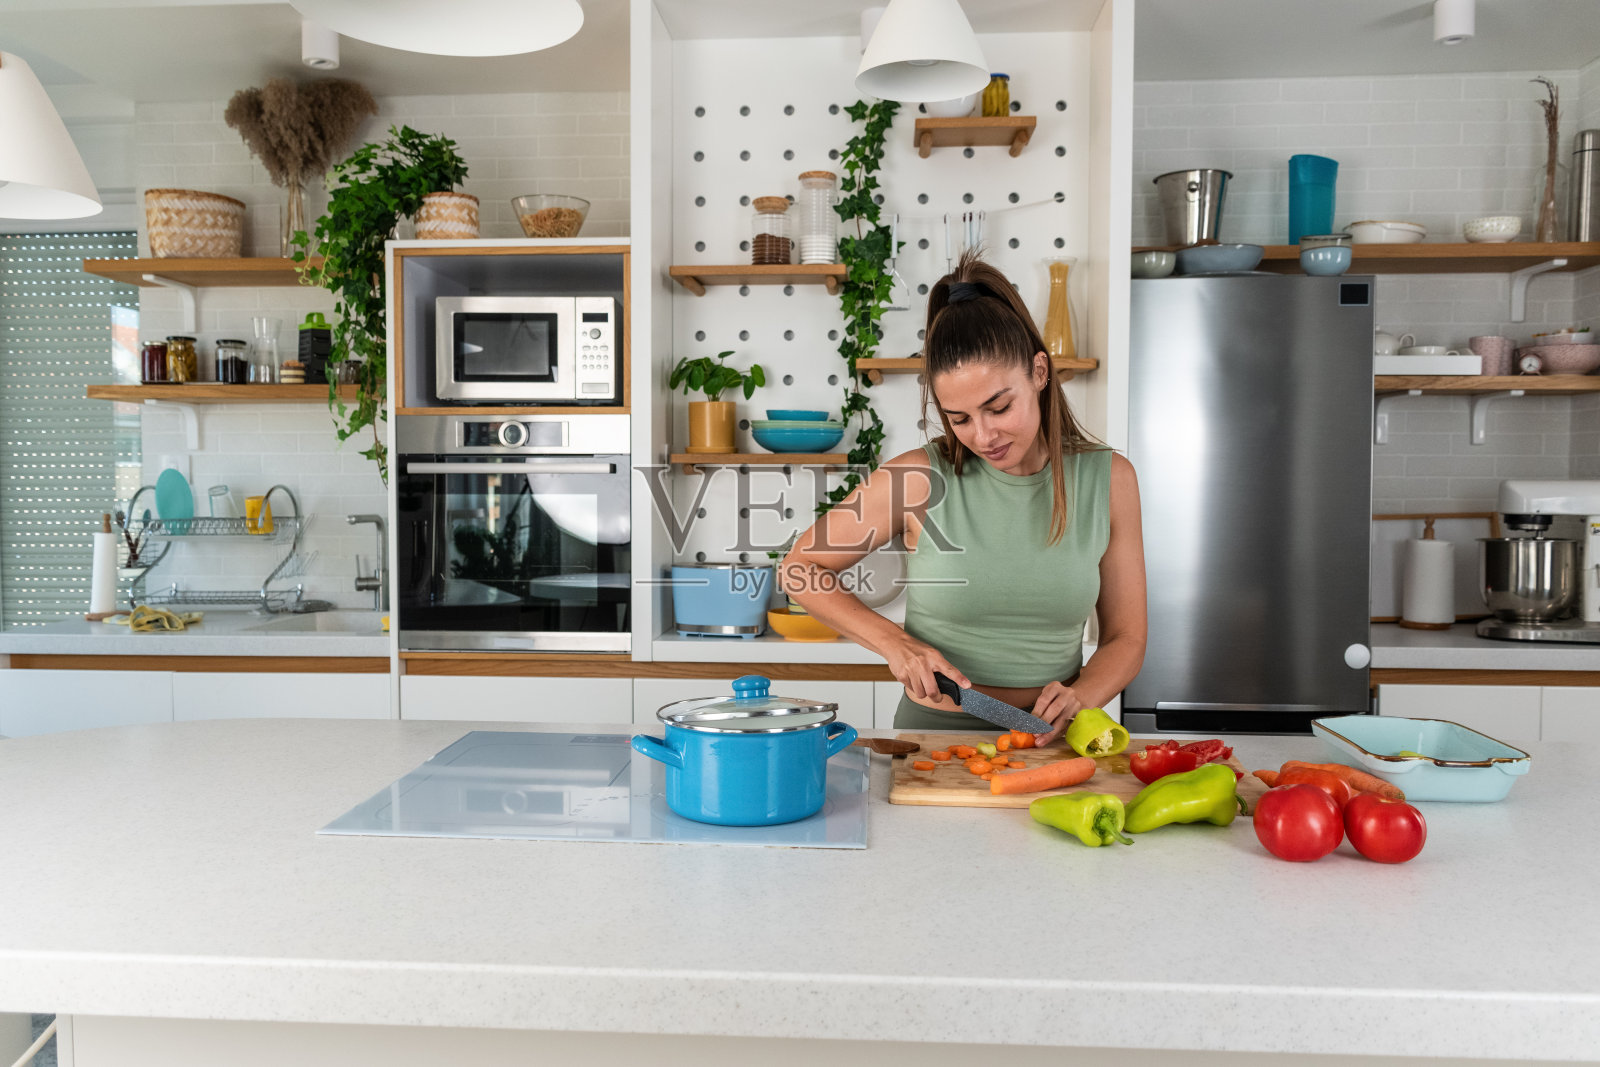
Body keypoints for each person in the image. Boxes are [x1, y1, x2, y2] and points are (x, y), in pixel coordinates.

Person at [779, 251, 1147, 744]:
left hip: (1053, 744)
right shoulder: (917, 477)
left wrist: (1083, 697)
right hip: (933, 742)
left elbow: (1127, 637)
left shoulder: (1110, 479)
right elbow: (801, 569)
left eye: (999, 407)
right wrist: (896, 644)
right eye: (959, 418)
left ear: (1039, 373)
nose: (984, 434)